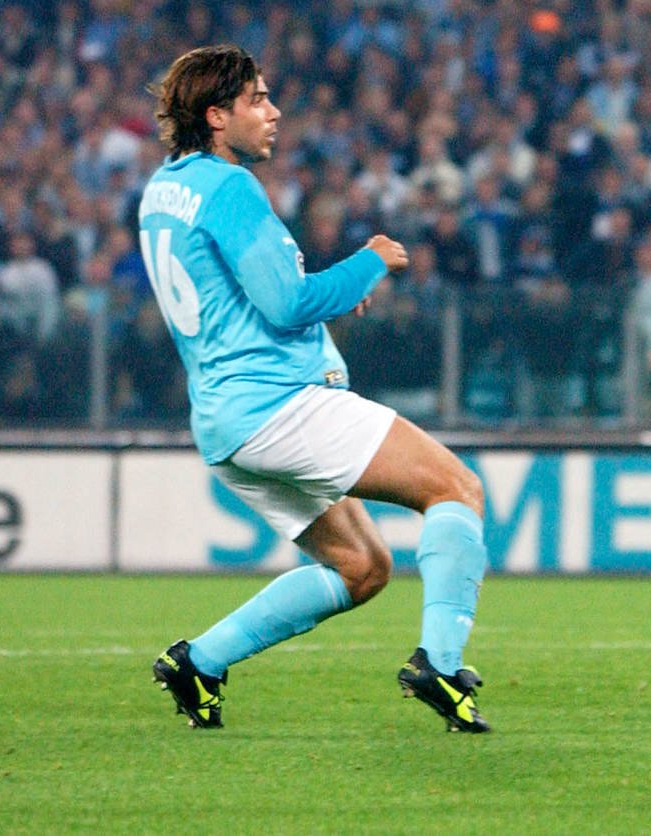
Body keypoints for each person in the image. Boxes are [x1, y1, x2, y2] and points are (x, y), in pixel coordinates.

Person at [140, 45, 490, 733]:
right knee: (456, 489)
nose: (274, 112)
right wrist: (368, 263)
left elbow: (241, 295)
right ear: (216, 116)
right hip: (279, 405)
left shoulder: (162, 190)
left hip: (223, 422)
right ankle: (442, 665)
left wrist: (324, 294)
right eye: (258, 100)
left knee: (361, 567)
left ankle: (198, 662)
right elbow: (287, 304)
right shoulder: (230, 187)